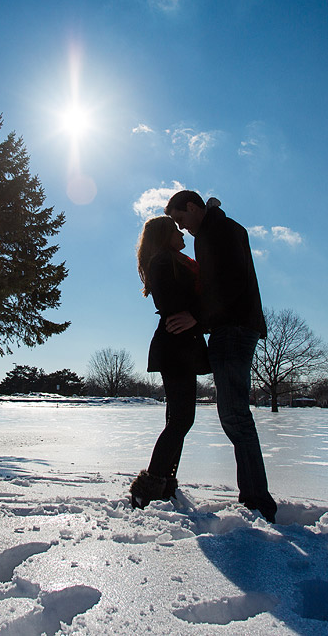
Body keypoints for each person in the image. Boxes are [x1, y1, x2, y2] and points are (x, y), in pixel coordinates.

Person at [164, 190, 277, 523]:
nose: (181, 229)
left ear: (194, 208)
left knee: (235, 415)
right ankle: (255, 497)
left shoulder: (218, 231)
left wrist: (196, 316)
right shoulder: (221, 228)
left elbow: (228, 282)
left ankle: (259, 501)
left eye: (181, 219)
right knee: (234, 414)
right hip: (236, 327)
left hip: (233, 329)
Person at [129, 215, 210, 509]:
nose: (182, 234)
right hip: (175, 345)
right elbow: (174, 304)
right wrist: (201, 314)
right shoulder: (164, 262)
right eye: (177, 230)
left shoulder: (174, 261)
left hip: (180, 345)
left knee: (178, 418)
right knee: (181, 419)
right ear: (165, 236)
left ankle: (164, 482)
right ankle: (150, 485)